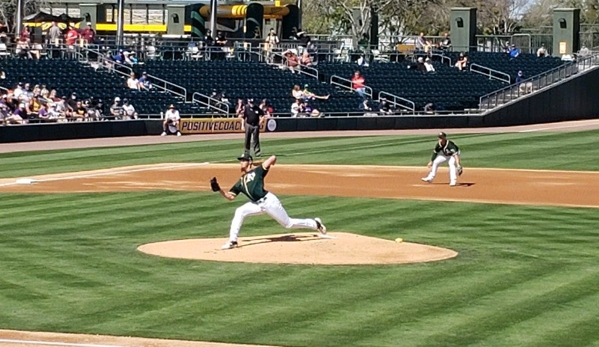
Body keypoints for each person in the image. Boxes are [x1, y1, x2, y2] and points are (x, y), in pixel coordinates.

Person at [211, 153, 328, 250]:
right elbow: (230, 197)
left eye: (244, 160)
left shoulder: (258, 171)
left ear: (249, 161)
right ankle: (233, 241)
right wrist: (219, 189)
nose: (241, 162)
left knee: (288, 224)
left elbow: (273, 157)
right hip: (257, 204)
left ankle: (315, 223)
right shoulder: (240, 181)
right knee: (239, 211)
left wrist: (260, 164)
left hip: (269, 201)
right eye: (240, 160)